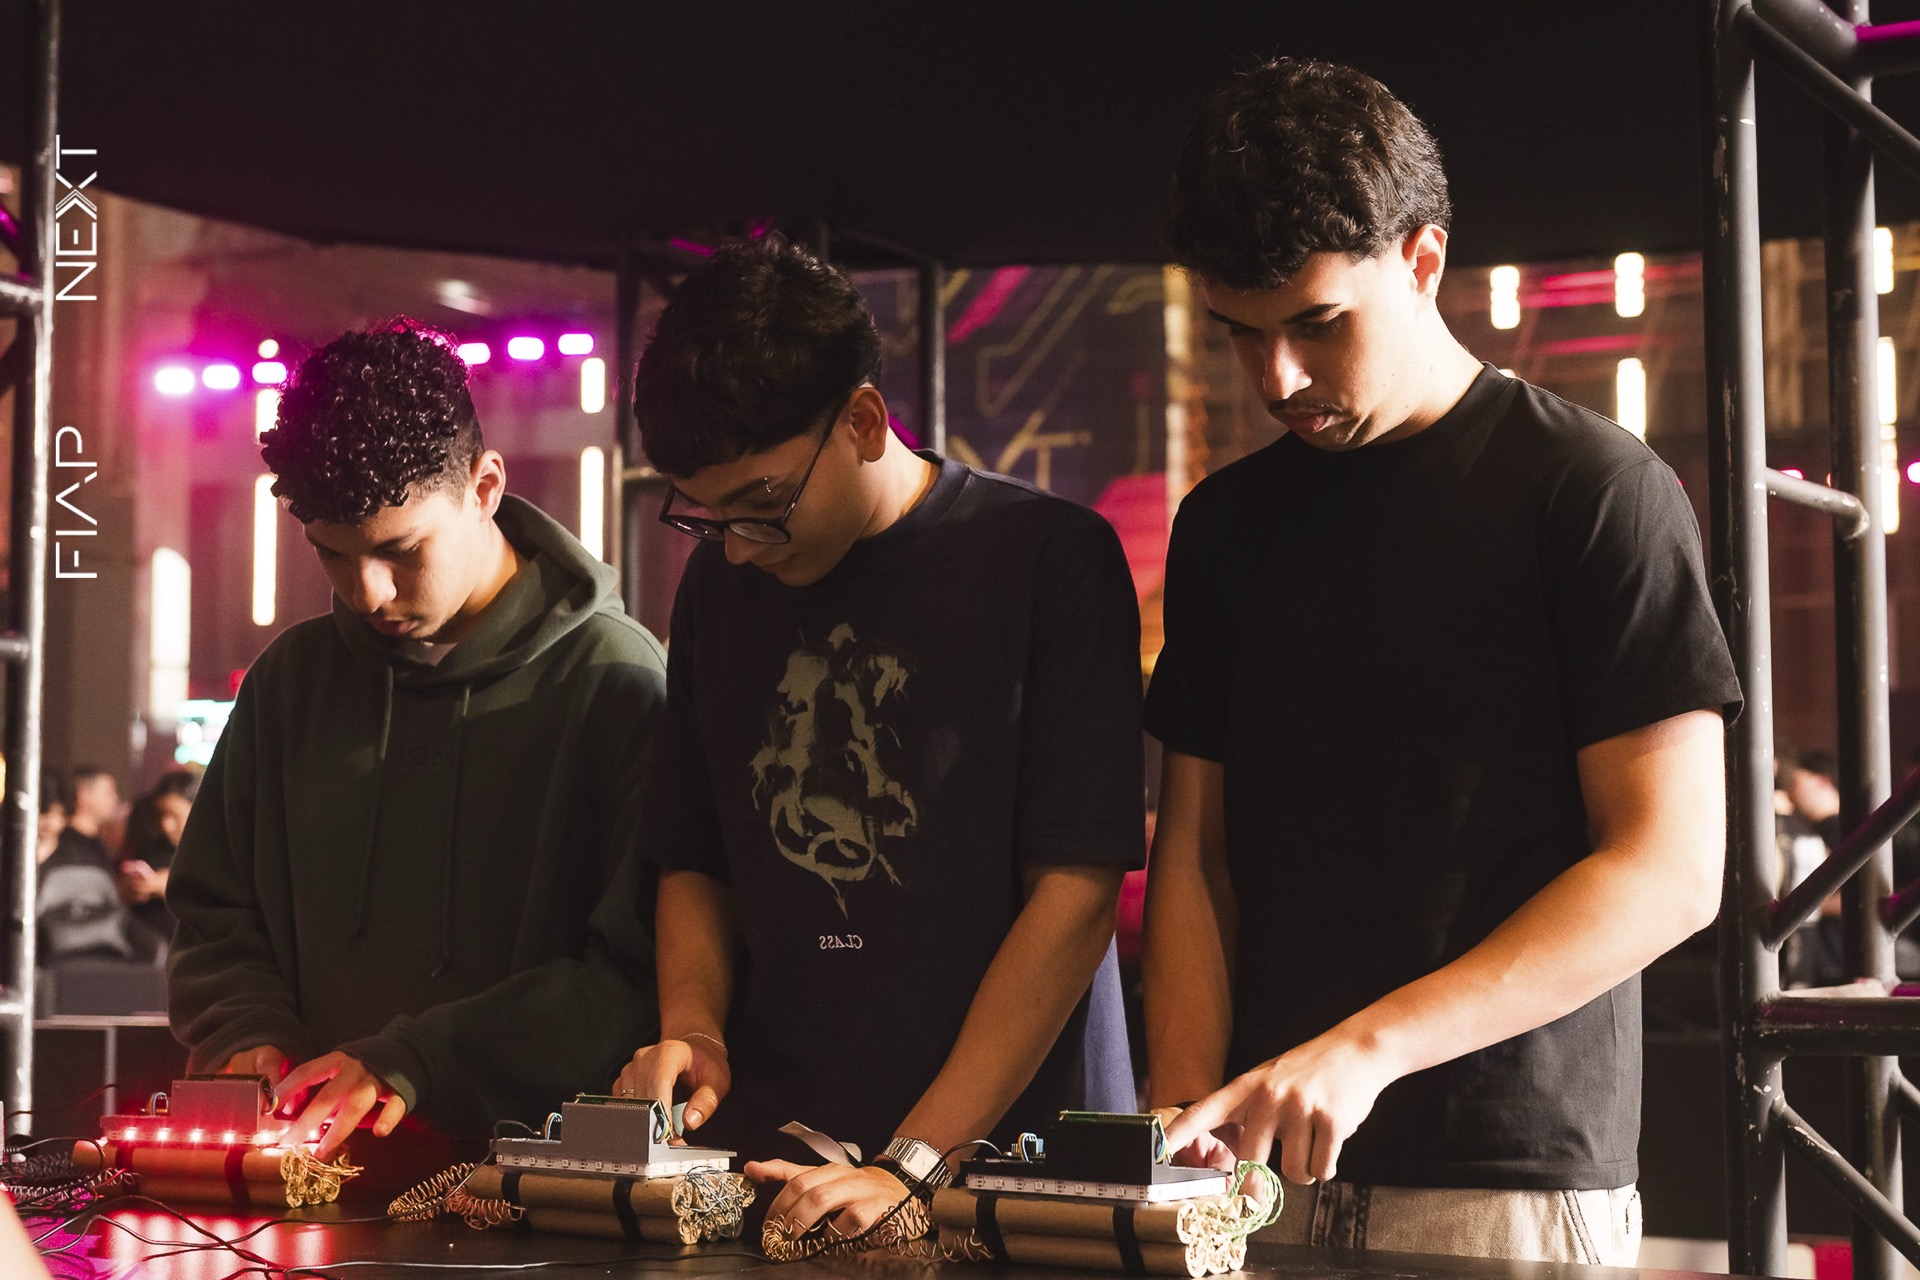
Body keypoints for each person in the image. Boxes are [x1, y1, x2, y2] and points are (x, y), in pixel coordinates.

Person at [1140, 59, 1742, 1265]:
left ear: (1423, 260)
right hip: (1251, 1176)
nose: (1277, 379)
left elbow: (1671, 867)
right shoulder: (1223, 525)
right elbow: (1195, 857)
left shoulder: (1593, 491)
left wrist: (1363, 1050)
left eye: (1317, 324)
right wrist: (1182, 1124)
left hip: (1506, 1179)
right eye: (1242, 335)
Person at [612, 235, 1141, 1239]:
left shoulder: (1049, 561)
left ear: (862, 421)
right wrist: (695, 1025)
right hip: (781, 1156)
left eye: (762, 505)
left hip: (1014, 1172)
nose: (737, 547)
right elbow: (696, 852)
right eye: (707, 515)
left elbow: (1076, 895)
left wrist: (916, 1162)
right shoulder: (720, 585)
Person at [166, 320, 666, 1181]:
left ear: (486, 487)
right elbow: (216, 916)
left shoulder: (616, 683)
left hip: (534, 1196)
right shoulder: (291, 681)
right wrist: (245, 1032)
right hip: (300, 1180)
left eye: (401, 552)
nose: (367, 592)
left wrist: (417, 1061)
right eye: (332, 553)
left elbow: (634, 976)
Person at [118, 767, 198, 942]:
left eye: (175, 816)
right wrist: (131, 889)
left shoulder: (215, 851)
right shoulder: (152, 849)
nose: (166, 826)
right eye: (162, 815)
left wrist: (162, 883)